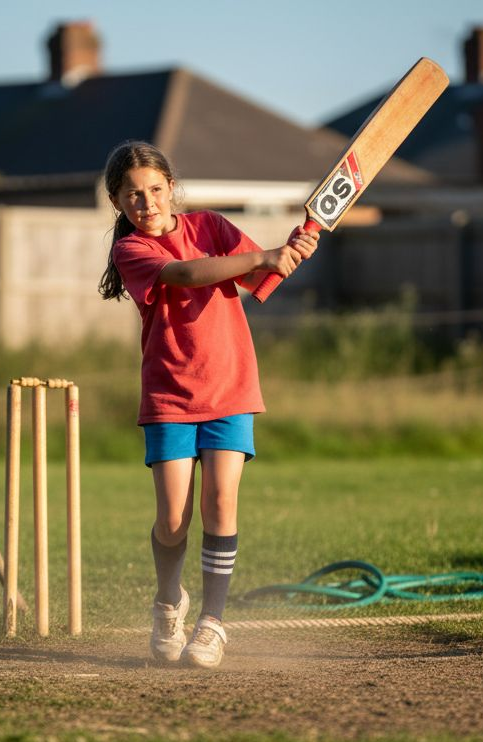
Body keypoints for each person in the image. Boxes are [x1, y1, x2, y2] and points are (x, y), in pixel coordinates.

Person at [98, 140, 317, 668]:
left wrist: (295, 246)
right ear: (118, 202)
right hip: (170, 395)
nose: (146, 203)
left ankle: (213, 623)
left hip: (230, 388)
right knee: (173, 519)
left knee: (221, 503)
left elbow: (257, 275)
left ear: (172, 188)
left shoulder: (211, 226)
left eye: (155, 190)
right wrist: (263, 254)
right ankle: (169, 601)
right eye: (133, 196)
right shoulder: (130, 251)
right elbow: (188, 275)